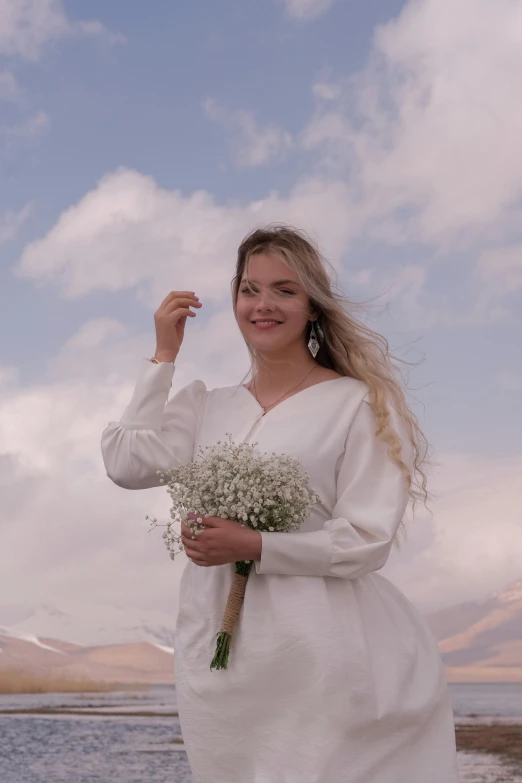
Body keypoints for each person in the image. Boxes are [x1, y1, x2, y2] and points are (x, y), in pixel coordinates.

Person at [101, 225, 461, 783]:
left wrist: (256, 545)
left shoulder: (359, 405)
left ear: (313, 305)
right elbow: (126, 464)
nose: (263, 304)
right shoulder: (205, 405)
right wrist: (163, 357)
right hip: (220, 654)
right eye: (250, 289)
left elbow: (367, 540)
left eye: (285, 290)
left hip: (320, 650)